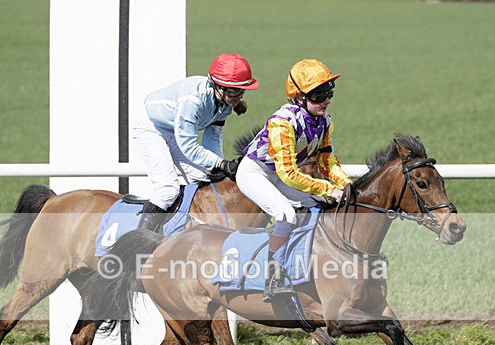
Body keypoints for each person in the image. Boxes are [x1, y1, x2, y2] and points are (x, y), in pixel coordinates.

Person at [236, 59, 352, 302]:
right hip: (255, 173)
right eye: (318, 94)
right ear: (299, 97)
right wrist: (327, 188)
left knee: (317, 205)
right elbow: (288, 172)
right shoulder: (282, 122)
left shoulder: (325, 121)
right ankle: (272, 277)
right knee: (287, 214)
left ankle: (305, 263)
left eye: (329, 92)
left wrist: (345, 183)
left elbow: (327, 161)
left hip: (278, 174)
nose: (326, 99)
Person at [133, 53, 259, 231]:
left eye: (241, 91)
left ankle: (185, 228)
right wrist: (221, 163)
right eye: (233, 90)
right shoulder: (193, 101)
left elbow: (212, 137)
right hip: (152, 130)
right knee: (167, 189)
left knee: (203, 176)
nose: (238, 96)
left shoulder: (224, 103)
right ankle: (139, 241)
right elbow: (189, 146)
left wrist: (218, 167)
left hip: (175, 132)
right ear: (217, 87)